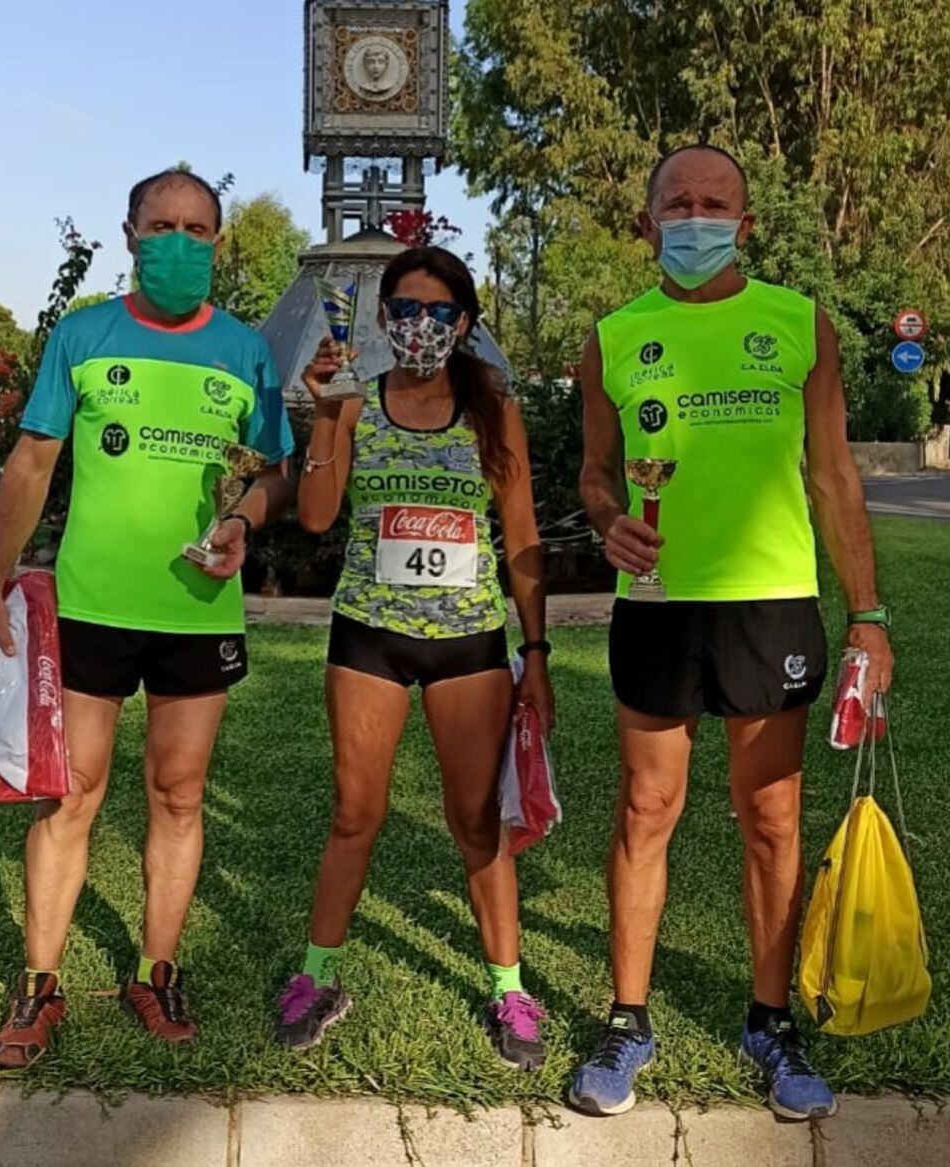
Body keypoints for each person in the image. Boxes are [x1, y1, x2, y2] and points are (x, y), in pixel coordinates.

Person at [572, 144, 894, 1120]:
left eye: (716, 204)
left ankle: (771, 1022)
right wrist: (603, 517)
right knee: (644, 812)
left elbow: (834, 475)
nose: (697, 217)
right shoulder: (613, 337)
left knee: (773, 820)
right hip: (660, 609)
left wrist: (868, 616)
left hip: (772, 607)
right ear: (648, 222)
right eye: (678, 203)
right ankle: (628, 1021)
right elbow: (594, 472)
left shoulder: (800, 324)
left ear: (745, 223)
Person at [0, 169, 294, 1067]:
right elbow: (32, 465)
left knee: (179, 791)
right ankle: (40, 984)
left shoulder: (247, 352)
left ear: (218, 244)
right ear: (130, 234)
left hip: (197, 610)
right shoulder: (84, 334)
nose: (180, 243)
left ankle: (157, 970)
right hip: (92, 608)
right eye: (163, 226)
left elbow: (270, 473)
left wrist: (241, 519)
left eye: (197, 229)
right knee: (71, 792)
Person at [275, 247, 554, 1070]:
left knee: (475, 820)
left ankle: (509, 986)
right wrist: (326, 413)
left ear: (465, 322)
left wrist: (533, 650)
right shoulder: (358, 401)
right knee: (354, 812)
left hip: (468, 641)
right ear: (382, 317)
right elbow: (320, 517)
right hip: (370, 633)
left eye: (438, 312)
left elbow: (525, 535)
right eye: (404, 309)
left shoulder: (493, 409)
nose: (420, 326)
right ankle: (317, 975)